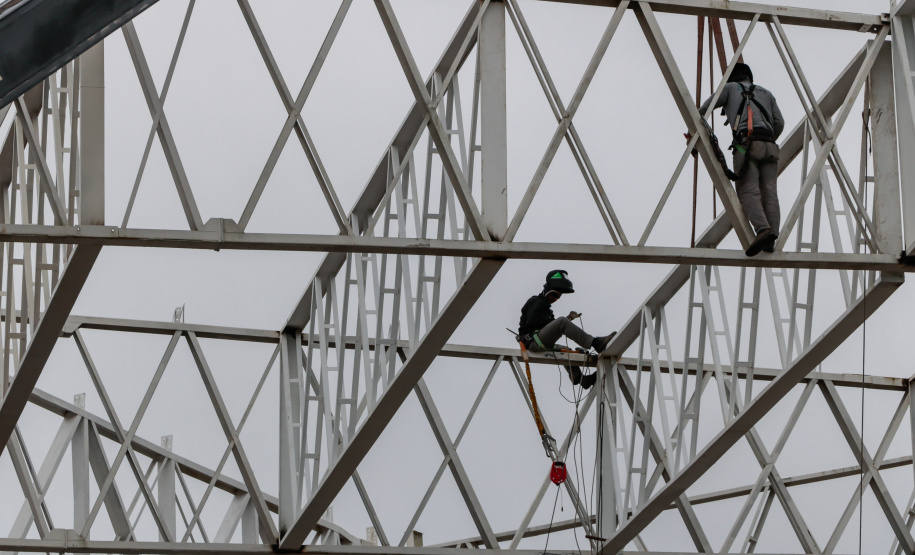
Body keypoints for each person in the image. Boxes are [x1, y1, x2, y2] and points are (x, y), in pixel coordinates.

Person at [698, 62, 785, 256]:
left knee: (748, 190)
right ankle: (773, 235)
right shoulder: (767, 93)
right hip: (770, 146)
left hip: (746, 144)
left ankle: (763, 230)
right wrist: (767, 138)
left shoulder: (730, 88)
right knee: (770, 191)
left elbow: (706, 107)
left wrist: (693, 130)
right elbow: (779, 122)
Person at [517, 270, 615, 389]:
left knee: (565, 350)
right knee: (562, 322)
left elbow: (548, 324)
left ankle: (580, 378)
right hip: (532, 341)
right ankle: (595, 343)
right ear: (547, 291)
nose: (556, 299)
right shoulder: (536, 302)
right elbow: (533, 321)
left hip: (536, 340)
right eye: (554, 295)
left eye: (558, 296)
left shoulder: (546, 309)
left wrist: (563, 321)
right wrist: (565, 320)